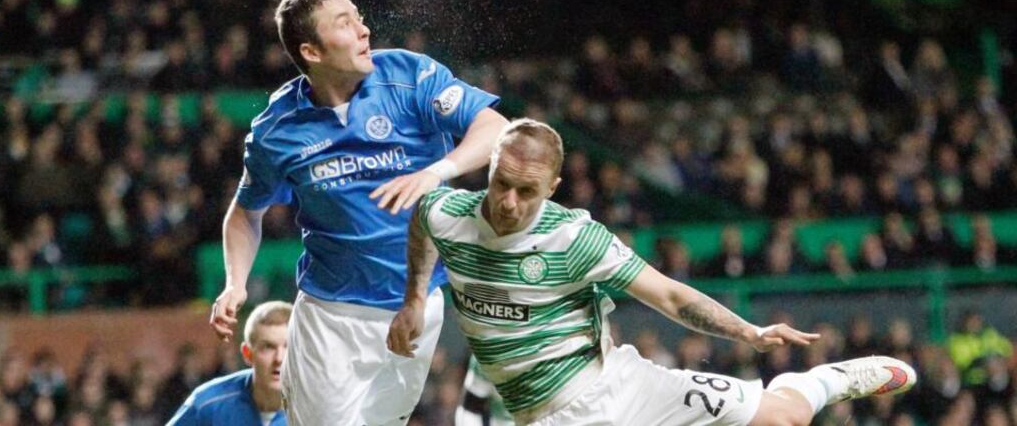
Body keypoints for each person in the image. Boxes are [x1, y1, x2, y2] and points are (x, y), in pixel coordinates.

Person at [388, 119, 917, 426]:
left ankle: (825, 379)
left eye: (526, 191)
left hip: (616, 390)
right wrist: (414, 299)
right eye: (500, 182)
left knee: (785, 419)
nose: (507, 201)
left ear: (551, 188)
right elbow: (420, 229)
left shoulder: (576, 239)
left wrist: (748, 332)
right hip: (537, 417)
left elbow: (668, 296)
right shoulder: (444, 212)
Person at [208, 0, 508, 425]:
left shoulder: (409, 76)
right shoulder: (278, 130)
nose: (364, 30)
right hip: (333, 317)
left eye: (360, 18)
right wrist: (236, 282)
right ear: (312, 51)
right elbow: (245, 212)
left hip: (419, 304)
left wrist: (436, 171)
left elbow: (495, 127)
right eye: (345, 24)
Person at [170, 301, 291, 425]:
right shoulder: (207, 403)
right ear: (247, 354)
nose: (279, 359)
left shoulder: (311, 406)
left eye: (289, 347)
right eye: (268, 347)